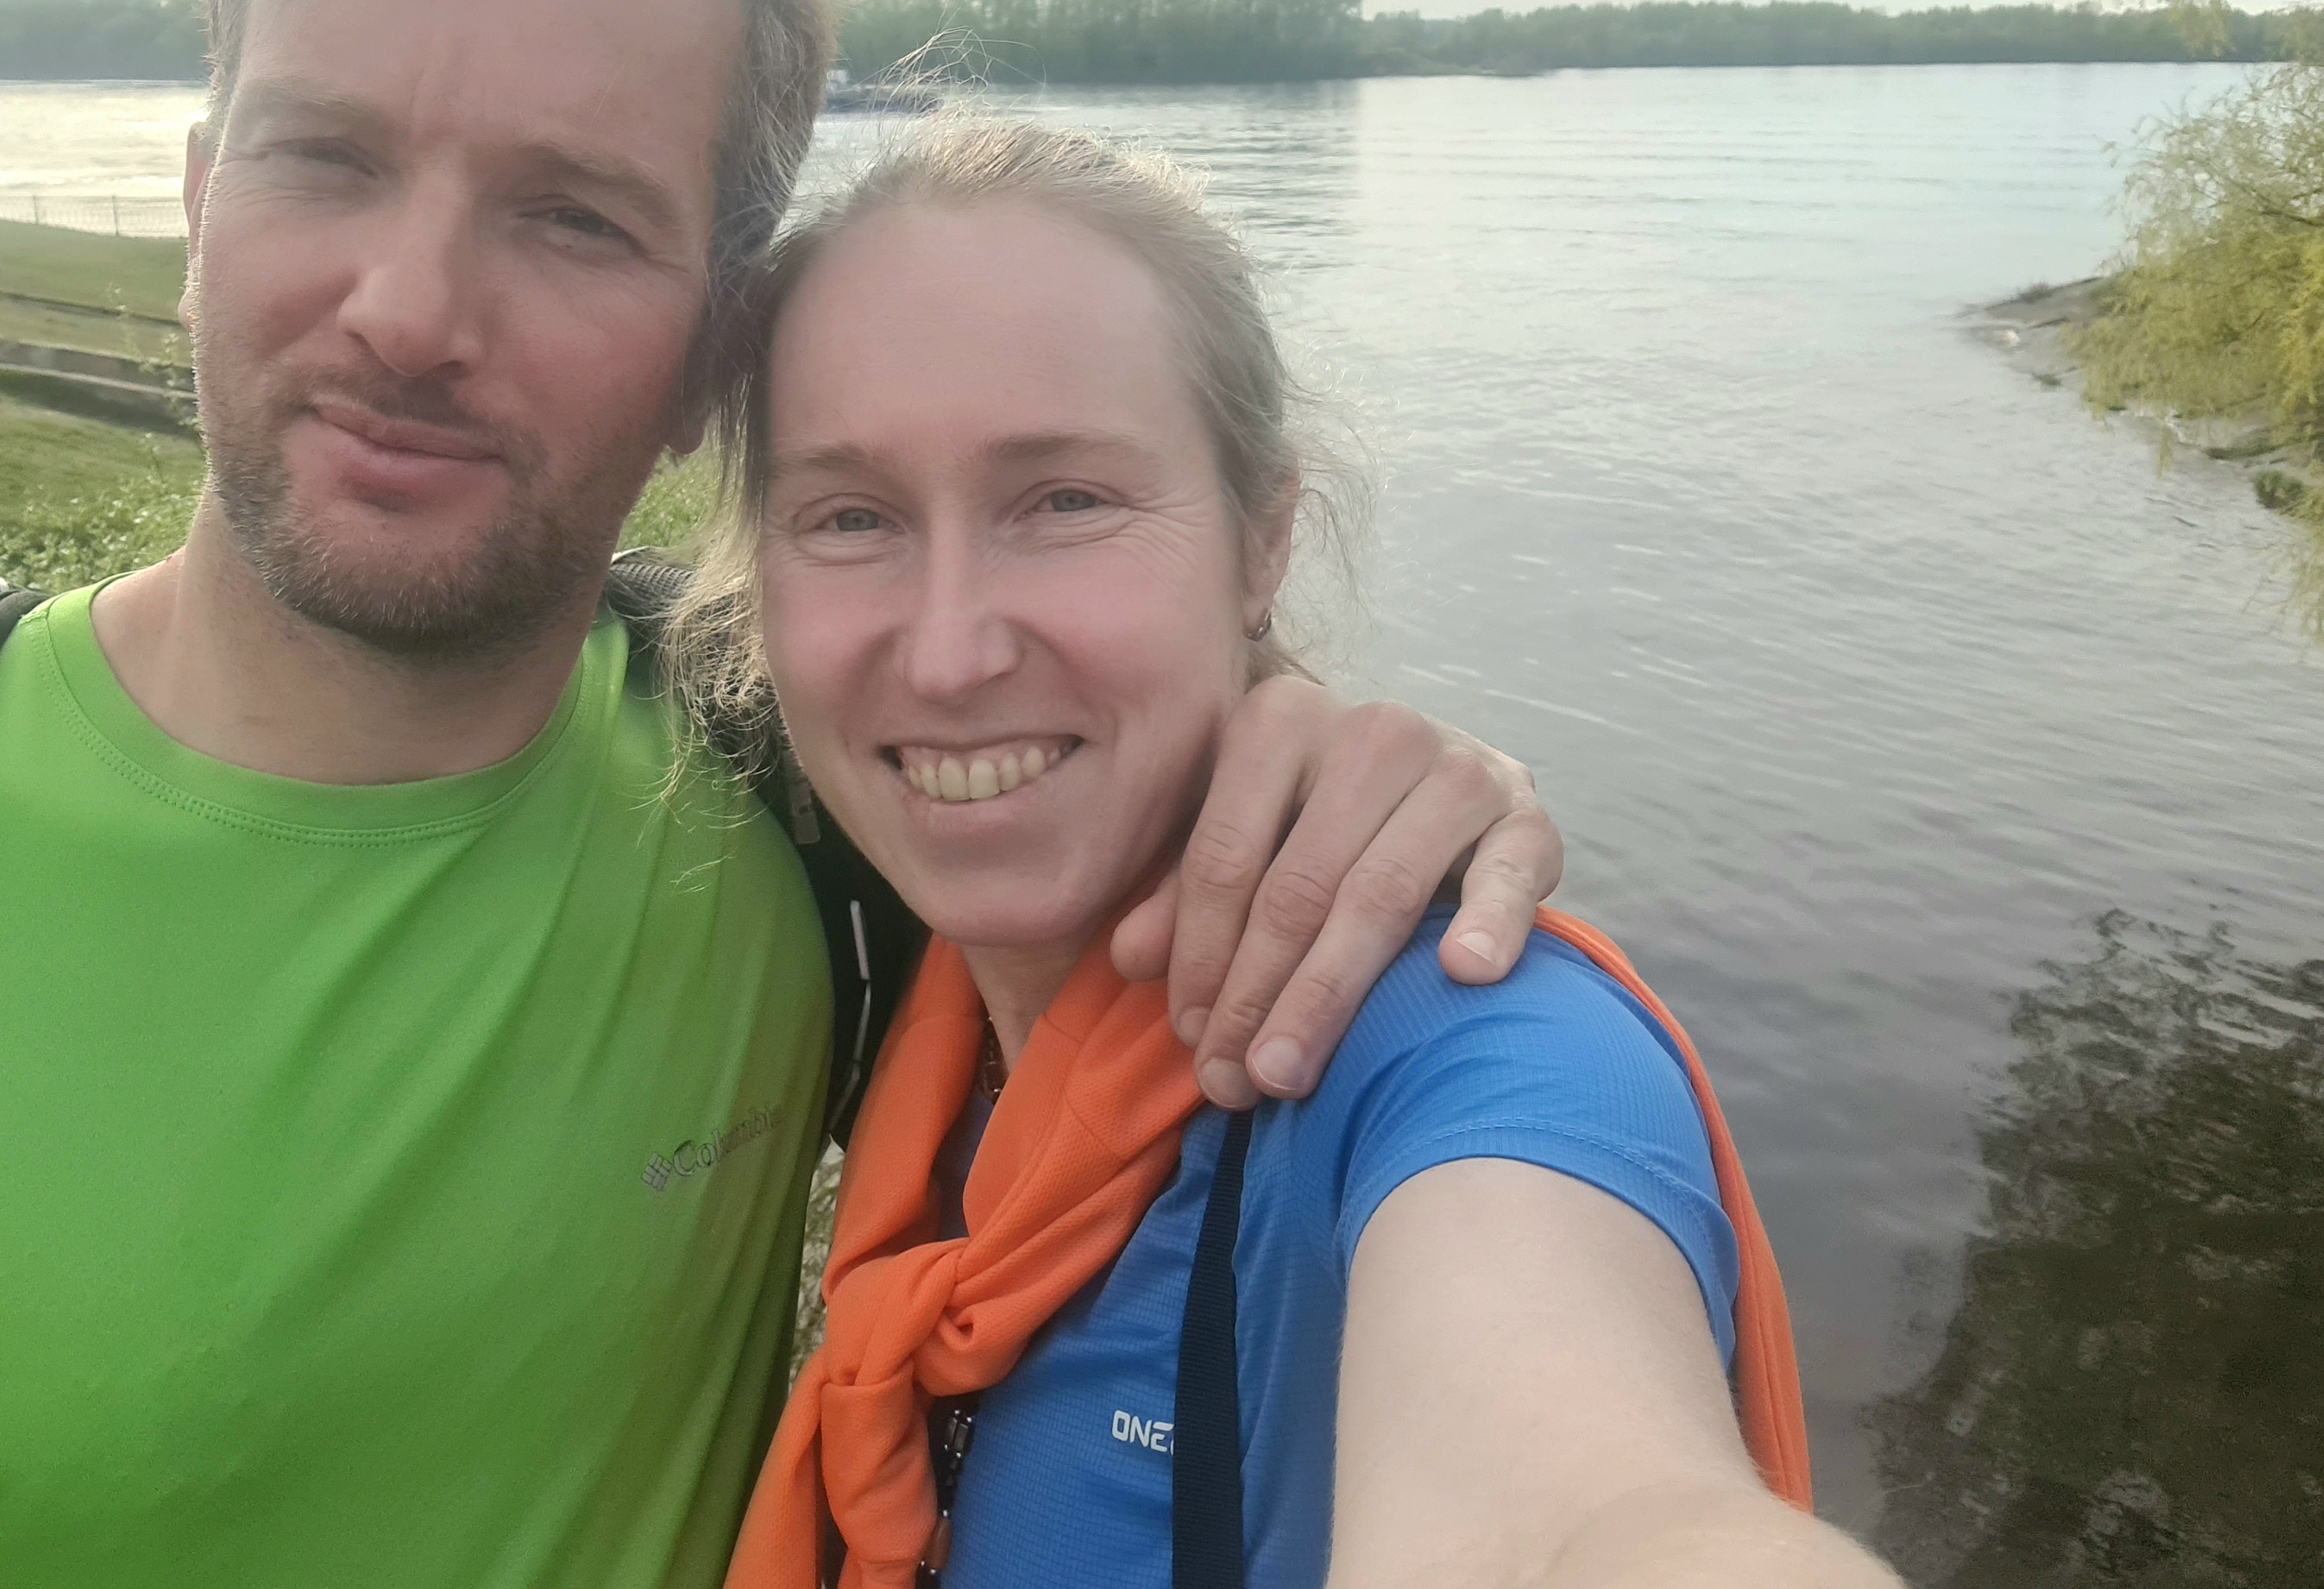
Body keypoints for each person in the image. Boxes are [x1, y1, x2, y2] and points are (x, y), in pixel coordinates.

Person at [0, 0, 1570, 1589]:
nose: (410, 312)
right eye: (326, 156)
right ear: (197, 200)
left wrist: (1322, 755)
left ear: (715, 353)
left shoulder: (808, 807)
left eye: (571, 214)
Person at [686, 120, 1900, 1587]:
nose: (948, 655)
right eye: (849, 517)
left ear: (1263, 542)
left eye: (1065, 500)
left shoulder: (1458, 1043)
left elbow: (1591, 1511)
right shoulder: (868, 957)